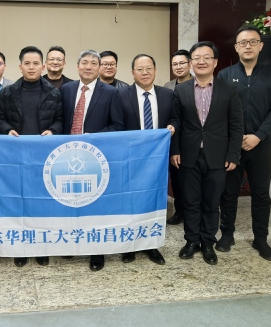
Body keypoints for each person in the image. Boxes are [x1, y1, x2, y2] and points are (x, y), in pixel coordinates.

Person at [170, 41, 243, 265]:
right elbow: (176, 122)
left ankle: (208, 243)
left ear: (215, 62)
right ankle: (192, 241)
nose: (201, 62)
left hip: (218, 156)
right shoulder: (181, 90)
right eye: (197, 58)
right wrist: (175, 150)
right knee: (190, 201)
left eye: (207, 57)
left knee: (211, 203)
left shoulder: (228, 90)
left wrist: (233, 154)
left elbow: (236, 125)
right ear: (191, 63)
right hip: (188, 155)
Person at [217, 25, 271, 261]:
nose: (248, 46)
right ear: (236, 47)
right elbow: (220, 110)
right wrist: (235, 139)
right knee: (229, 192)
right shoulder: (225, 75)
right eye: (243, 42)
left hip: (261, 144)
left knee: (261, 193)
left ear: (260, 46)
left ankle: (261, 239)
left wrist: (259, 135)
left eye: (252, 42)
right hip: (232, 145)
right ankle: (227, 234)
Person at [0, 45, 63, 268]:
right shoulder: (7, 93)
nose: (31, 67)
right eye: (27, 63)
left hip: (43, 158)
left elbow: (61, 119)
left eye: (35, 63)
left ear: (43, 66)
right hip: (16, 157)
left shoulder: (54, 93)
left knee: (42, 203)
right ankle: (21, 248)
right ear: (20, 66)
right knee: (19, 203)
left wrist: (53, 130)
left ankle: (41, 247)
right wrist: (7, 130)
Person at [61, 50, 125, 271]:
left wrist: (93, 138)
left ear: (99, 68)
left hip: (96, 158)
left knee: (95, 204)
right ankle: (72, 243)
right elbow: (60, 120)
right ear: (77, 66)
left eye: (93, 63)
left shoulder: (111, 93)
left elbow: (118, 125)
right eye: (84, 63)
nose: (88, 67)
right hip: (68, 157)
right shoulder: (66, 89)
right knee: (71, 201)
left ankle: (97, 251)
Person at [118, 53, 175, 266]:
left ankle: (151, 245)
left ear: (155, 70)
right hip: (129, 160)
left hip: (156, 160)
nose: (145, 72)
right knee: (129, 202)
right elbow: (117, 125)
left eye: (149, 68)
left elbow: (175, 118)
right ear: (133, 73)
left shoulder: (167, 94)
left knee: (154, 201)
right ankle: (129, 246)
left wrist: (173, 126)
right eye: (140, 69)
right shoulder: (121, 95)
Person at [164, 49, 193, 225]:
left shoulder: (197, 84)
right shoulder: (168, 86)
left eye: (182, 63)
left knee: (191, 179)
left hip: (193, 138)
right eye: (175, 64)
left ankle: (193, 212)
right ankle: (179, 211)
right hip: (174, 139)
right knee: (176, 179)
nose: (178, 67)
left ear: (190, 64)